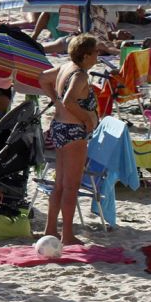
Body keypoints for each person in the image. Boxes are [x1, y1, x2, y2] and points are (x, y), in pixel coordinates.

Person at [39, 34, 100, 247]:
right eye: (96, 51)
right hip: (73, 131)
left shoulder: (66, 67)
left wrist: (54, 101)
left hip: (58, 128)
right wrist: (87, 120)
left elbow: (42, 77)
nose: (98, 55)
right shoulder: (80, 75)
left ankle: (50, 229)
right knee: (71, 186)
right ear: (86, 55)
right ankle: (67, 234)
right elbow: (70, 100)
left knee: (59, 185)